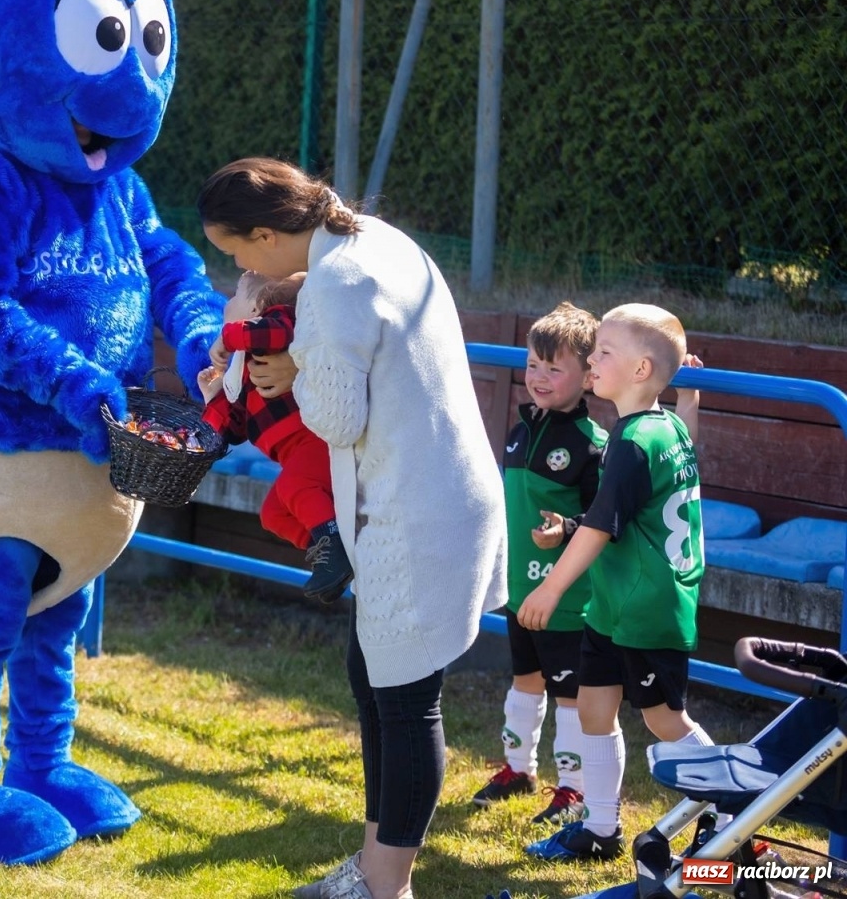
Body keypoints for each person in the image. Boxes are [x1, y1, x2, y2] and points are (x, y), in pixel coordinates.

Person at [197, 157, 505, 899]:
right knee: (373, 681)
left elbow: (337, 417)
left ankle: (386, 886)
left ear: (268, 233)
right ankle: (372, 870)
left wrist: (287, 366)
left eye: (236, 252)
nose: (237, 266)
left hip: (412, 509)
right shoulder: (369, 237)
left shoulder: (338, 283)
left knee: (403, 701)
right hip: (429, 494)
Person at [519, 303, 706, 862]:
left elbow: (605, 524)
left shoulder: (631, 442)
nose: (591, 360)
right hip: (612, 604)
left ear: (641, 371)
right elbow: (619, 507)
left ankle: (732, 806)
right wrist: (690, 400)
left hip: (646, 608)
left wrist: (550, 588)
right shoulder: (660, 425)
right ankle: (601, 831)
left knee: (663, 718)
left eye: (603, 353)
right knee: (594, 710)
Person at [472, 303, 607, 827]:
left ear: (588, 377)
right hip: (516, 586)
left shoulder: (592, 445)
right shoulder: (520, 427)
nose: (539, 378)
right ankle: (517, 769)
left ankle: (571, 788)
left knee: (569, 693)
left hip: (564, 597)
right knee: (524, 678)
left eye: (555, 369)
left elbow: (600, 523)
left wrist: (564, 531)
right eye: (533, 365)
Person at [197, 270, 348, 602]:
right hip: (294, 458)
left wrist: (227, 335)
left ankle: (333, 543)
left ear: (256, 306)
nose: (227, 303)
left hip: (314, 443)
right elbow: (234, 428)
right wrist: (212, 399)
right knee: (273, 514)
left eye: (235, 296)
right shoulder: (242, 369)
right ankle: (336, 555)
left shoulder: (278, 319)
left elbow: (275, 333)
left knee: (296, 487)